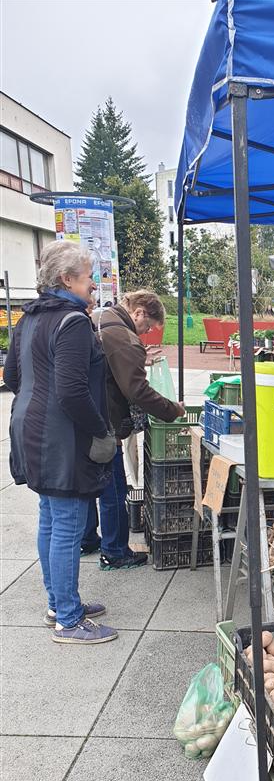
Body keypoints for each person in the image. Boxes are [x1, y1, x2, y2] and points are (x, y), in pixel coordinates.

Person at [4, 240, 118, 644]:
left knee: (51, 518)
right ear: (67, 279)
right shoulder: (72, 322)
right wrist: (101, 430)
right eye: (89, 277)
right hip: (61, 436)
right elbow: (71, 391)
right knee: (66, 524)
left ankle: (59, 602)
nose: (94, 284)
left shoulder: (29, 319)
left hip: (29, 429)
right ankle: (68, 621)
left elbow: (12, 378)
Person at [86, 290, 185, 570]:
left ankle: (88, 539)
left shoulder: (101, 318)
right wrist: (172, 410)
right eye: (148, 326)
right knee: (114, 488)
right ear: (139, 312)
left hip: (89, 417)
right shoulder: (125, 337)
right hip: (107, 421)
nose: (147, 333)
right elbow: (137, 390)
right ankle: (115, 551)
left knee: (89, 488)